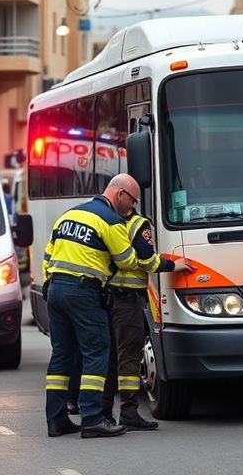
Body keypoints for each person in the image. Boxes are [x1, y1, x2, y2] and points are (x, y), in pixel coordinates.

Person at [43, 174, 147, 439]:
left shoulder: (69, 215)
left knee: (62, 355)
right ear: (121, 194)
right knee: (96, 351)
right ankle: (92, 419)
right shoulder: (110, 220)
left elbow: (47, 255)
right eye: (132, 201)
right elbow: (126, 260)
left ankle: (56, 420)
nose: (132, 207)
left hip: (55, 288)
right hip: (83, 292)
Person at [102, 205, 189, 430]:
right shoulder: (138, 224)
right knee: (129, 356)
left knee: (108, 357)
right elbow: (147, 260)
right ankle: (129, 413)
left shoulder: (104, 220)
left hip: (105, 297)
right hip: (128, 300)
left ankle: (103, 414)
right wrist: (173, 265)